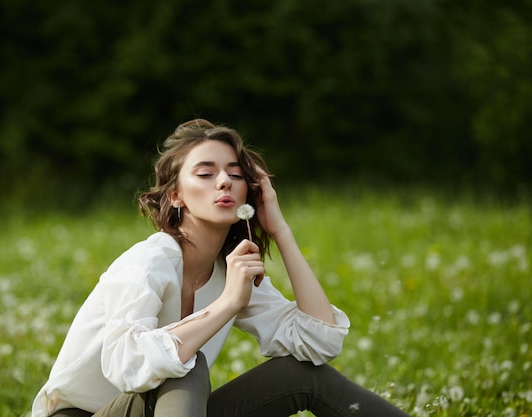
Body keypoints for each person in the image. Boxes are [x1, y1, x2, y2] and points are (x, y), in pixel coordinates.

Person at [30, 119, 410, 417]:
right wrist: (226, 305)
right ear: (176, 195)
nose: (225, 180)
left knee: (304, 376)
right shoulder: (149, 262)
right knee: (187, 362)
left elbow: (319, 343)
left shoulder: (232, 271)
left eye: (235, 173)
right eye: (206, 173)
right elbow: (127, 366)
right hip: (87, 415)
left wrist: (280, 230)